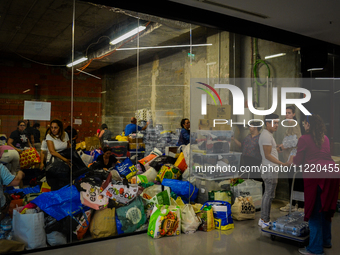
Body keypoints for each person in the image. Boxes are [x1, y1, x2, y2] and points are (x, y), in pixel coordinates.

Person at [290, 114, 339, 255]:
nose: (304, 125)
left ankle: (315, 249)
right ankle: (326, 241)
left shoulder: (304, 139)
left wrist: (292, 159)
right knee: (326, 209)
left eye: (305, 123)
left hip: (317, 176)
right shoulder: (326, 138)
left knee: (314, 212)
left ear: (309, 125)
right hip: (332, 174)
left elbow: (298, 161)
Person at [258, 113, 291, 228]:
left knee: (268, 194)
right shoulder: (266, 135)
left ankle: (263, 218)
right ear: (267, 123)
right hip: (269, 170)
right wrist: (282, 163)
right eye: (274, 123)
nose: (276, 125)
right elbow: (267, 155)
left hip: (269, 169)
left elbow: (269, 151)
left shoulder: (267, 134)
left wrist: (278, 149)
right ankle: (265, 220)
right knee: (269, 195)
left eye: (277, 123)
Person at [279, 105, 303, 212]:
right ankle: (293, 204)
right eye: (286, 112)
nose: (287, 114)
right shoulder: (289, 125)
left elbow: (296, 141)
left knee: (296, 182)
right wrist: (280, 146)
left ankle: (299, 206)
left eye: (289, 113)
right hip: (289, 159)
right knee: (291, 181)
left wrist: (284, 147)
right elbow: (288, 141)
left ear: (293, 114)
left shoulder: (294, 124)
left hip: (293, 160)